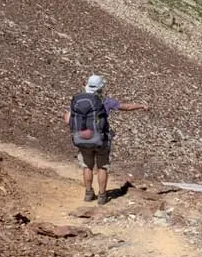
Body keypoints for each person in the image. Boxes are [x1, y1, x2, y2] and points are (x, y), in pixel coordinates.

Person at [63, 74, 149, 205]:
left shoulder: (78, 101)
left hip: (82, 139)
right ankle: (102, 195)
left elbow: (67, 119)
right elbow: (125, 107)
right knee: (102, 167)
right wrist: (141, 106)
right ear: (100, 87)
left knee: (87, 166)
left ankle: (88, 193)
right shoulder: (105, 101)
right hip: (101, 139)